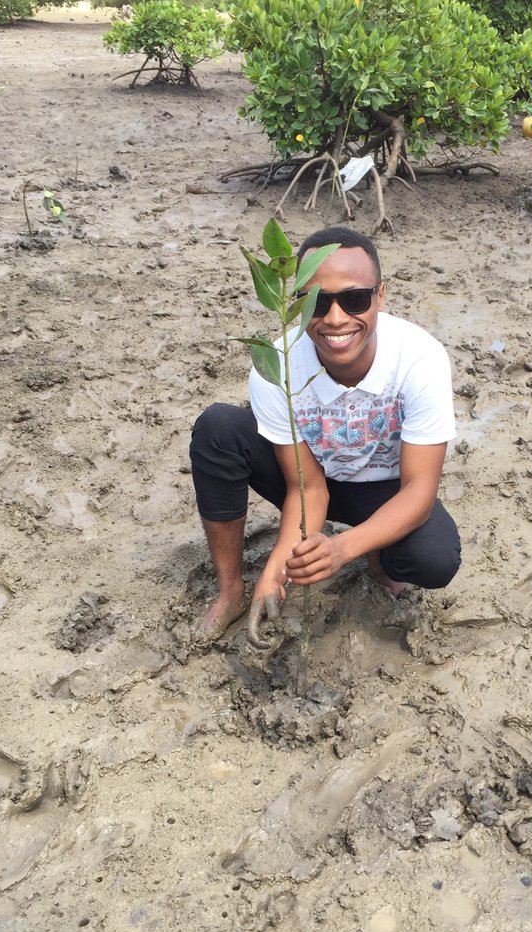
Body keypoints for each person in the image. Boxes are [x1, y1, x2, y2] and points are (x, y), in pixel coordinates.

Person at [189, 225, 461, 646]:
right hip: (315, 478)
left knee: (433, 560)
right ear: (298, 302)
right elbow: (306, 487)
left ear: (380, 296)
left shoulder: (420, 359)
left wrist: (342, 548)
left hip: (386, 488)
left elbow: (419, 491)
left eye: (355, 299)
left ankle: (378, 557)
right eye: (317, 301)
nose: (335, 319)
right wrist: (275, 572)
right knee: (218, 427)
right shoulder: (277, 364)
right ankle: (231, 592)